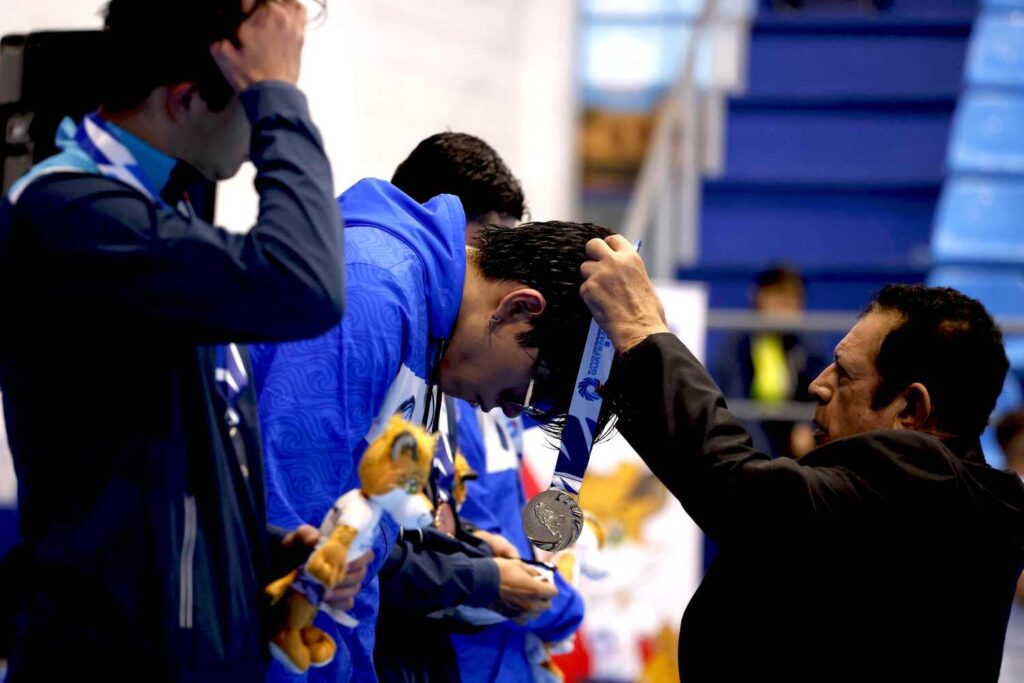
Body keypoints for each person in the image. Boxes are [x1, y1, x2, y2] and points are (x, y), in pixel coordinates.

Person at [0, 0, 346, 678]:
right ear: (185, 99)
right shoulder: (72, 216)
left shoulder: (159, 215)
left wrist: (253, 552)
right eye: (249, 102)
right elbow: (305, 284)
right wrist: (281, 102)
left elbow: (141, 474)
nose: (256, 130)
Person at [579, 235, 1024, 681]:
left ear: (910, 409)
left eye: (845, 374)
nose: (818, 384)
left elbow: (743, 492)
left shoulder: (925, 480)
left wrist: (641, 331)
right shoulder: (983, 500)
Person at [252, 158, 609, 681]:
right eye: (526, 392)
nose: (506, 409)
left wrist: (461, 548)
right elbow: (296, 541)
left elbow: (361, 538)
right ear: (518, 309)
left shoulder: (426, 326)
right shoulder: (374, 292)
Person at [370, 133, 582, 683]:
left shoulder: (463, 372)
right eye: (482, 246)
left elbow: (414, 523)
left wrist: (467, 547)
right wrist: (490, 578)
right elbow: (336, 533)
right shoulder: (391, 322)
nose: (491, 266)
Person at [716, 265, 823, 458]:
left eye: (794, 300)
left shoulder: (807, 346)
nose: (787, 310)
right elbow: (736, 404)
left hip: (794, 445)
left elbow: (817, 395)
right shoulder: (739, 344)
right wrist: (763, 456)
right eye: (780, 299)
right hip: (752, 442)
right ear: (759, 297)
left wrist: (806, 425)